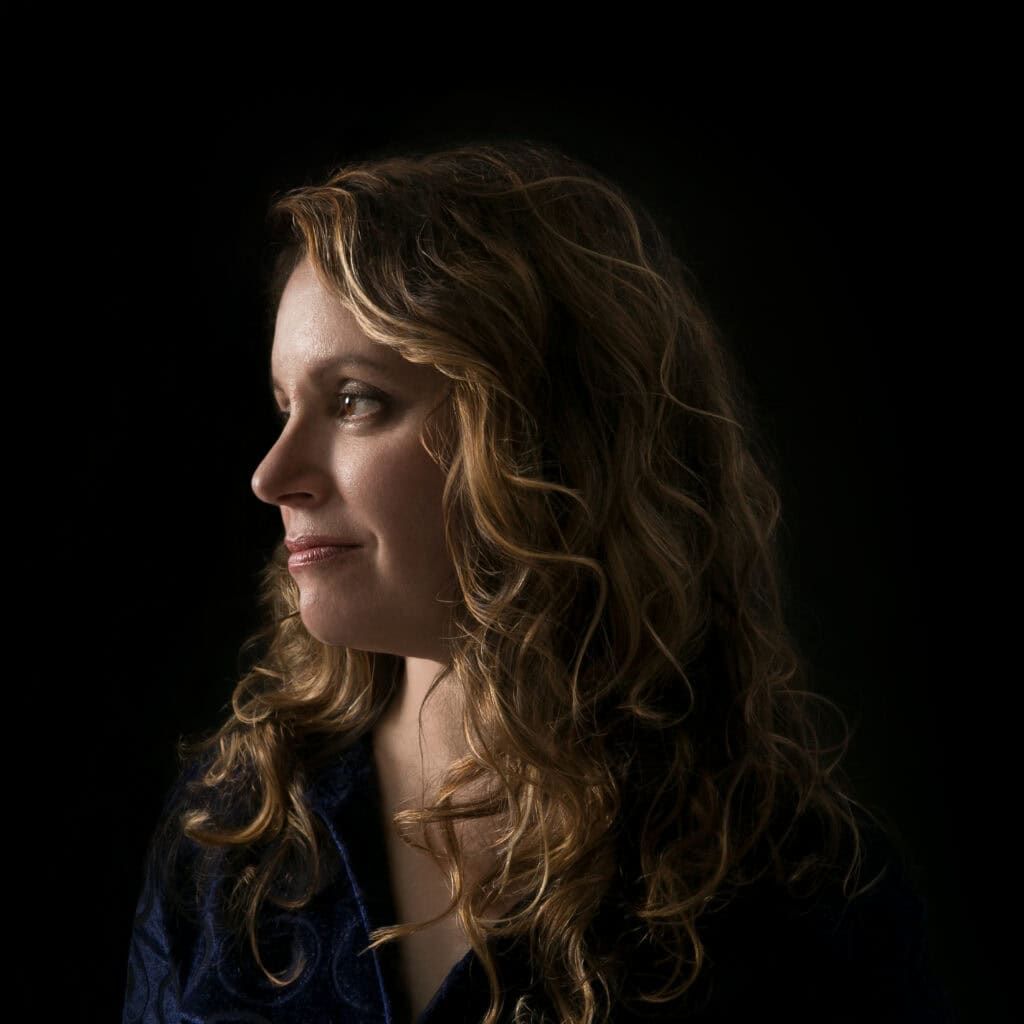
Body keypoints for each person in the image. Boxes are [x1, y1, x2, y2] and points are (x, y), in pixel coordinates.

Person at [120, 139, 954, 1024]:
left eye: (355, 401)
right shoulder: (235, 829)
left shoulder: (796, 889)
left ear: (538, 436)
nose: (272, 475)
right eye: (287, 407)